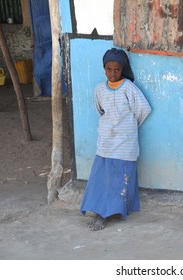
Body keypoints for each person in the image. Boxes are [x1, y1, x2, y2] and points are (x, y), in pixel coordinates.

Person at [80, 48, 151, 231]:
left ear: (123, 69)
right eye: (109, 69)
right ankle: (99, 211)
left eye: (117, 69)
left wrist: (128, 127)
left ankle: (109, 212)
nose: (113, 73)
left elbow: (143, 109)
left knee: (119, 178)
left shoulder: (129, 87)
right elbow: (101, 111)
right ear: (104, 69)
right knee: (102, 177)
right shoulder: (99, 90)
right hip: (105, 142)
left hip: (125, 144)